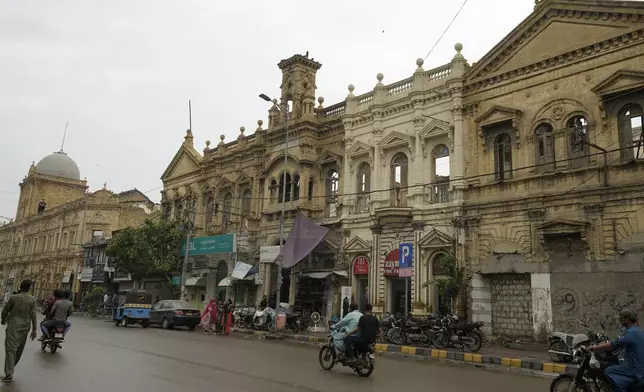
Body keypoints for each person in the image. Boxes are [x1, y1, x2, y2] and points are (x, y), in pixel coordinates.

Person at [589, 309, 644, 392]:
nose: (620, 320)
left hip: (635, 368)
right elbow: (621, 344)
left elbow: (612, 345)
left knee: (608, 370)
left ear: (627, 319)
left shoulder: (631, 332)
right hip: (639, 366)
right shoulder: (638, 331)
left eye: (622, 318)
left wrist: (594, 348)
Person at [1, 280, 37, 383]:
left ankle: (9, 372)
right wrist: (34, 330)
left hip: (13, 325)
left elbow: (5, 311)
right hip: (25, 327)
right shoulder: (32, 299)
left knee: (11, 348)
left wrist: (3, 320)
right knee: (19, 348)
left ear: (21, 287)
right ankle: (10, 370)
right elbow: (33, 315)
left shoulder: (13, 298)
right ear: (30, 287)